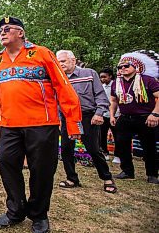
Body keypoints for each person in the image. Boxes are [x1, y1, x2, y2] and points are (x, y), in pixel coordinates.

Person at [0, 17, 82, 233]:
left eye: (7, 29)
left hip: (42, 123)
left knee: (41, 170)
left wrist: (73, 120)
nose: (2, 32)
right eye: (0, 30)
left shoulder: (41, 53)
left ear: (20, 33)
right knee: (6, 162)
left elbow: (63, 86)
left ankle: (39, 214)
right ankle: (15, 211)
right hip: (10, 125)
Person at [56, 50, 116, 194]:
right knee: (66, 148)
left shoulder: (89, 73)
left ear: (73, 60)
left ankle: (107, 178)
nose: (60, 64)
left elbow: (100, 95)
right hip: (67, 117)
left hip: (88, 116)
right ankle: (72, 178)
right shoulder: (57, 77)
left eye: (63, 61)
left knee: (93, 149)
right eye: (58, 61)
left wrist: (99, 113)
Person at [110, 52, 159, 184]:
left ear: (136, 66)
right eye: (120, 67)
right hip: (124, 117)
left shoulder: (148, 80)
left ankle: (152, 174)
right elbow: (114, 101)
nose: (122, 68)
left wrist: (155, 114)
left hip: (145, 117)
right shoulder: (116, 83)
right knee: (122, 145)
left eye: (126, 66)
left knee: (149, 146)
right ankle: (127, 171)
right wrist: (112, 115)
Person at [99, 68, 119, 162]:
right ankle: (105, 152)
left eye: (104, 77)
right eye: (101, 77)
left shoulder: (116, 85)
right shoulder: (101, 87)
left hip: (116, 114)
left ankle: (117, 155)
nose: (102, 79)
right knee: (102, 135)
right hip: (104, 114)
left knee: (117, 135)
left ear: (110, 76)